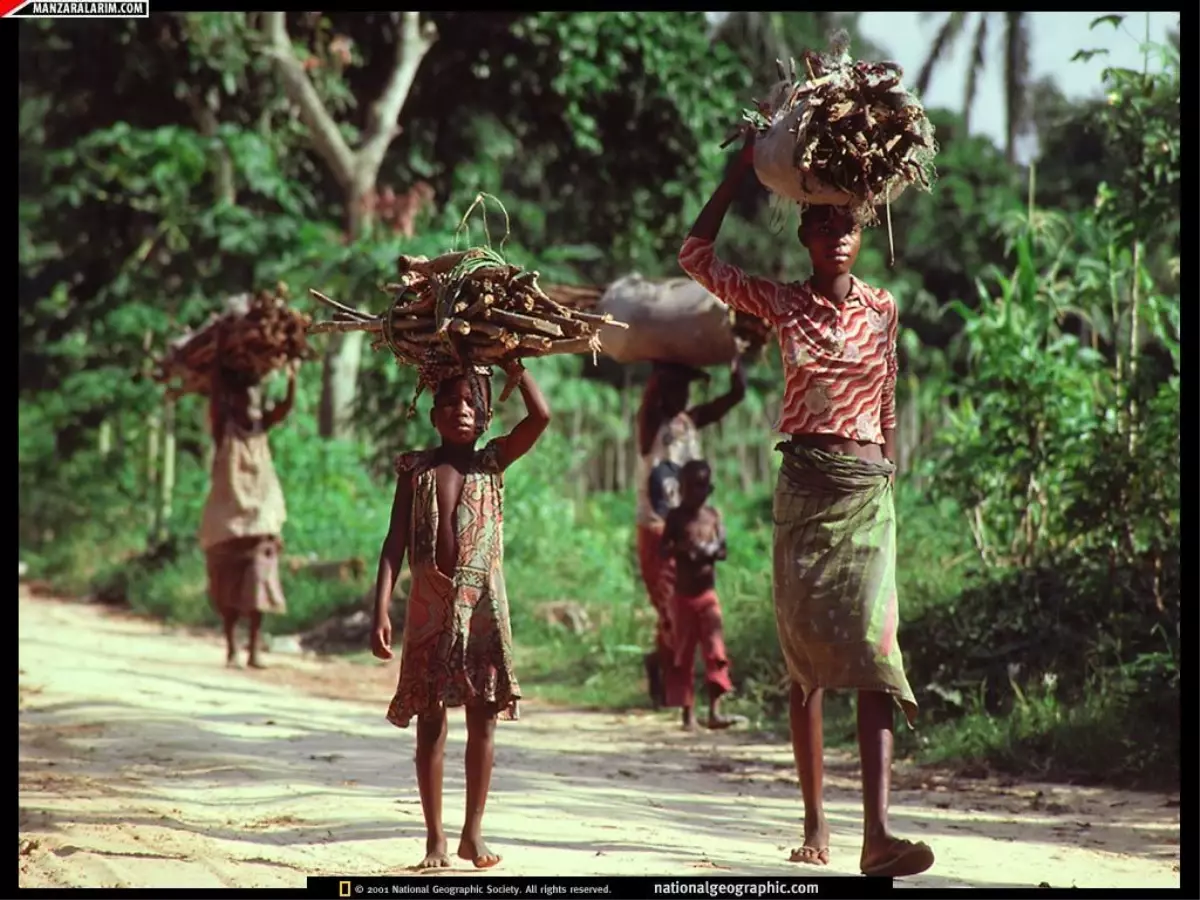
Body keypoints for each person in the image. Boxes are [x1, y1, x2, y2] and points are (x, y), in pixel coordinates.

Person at [675, 136, 935, 879]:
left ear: (863, 234)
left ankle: (878, 833)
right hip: (805, 492)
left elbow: (887, 399)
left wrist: (889, 472)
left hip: (867, 495)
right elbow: (697, 258)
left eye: (848, 226)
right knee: (806, 664)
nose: (836, 238)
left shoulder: (884, 309)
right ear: (804, 235)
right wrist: (734, 177)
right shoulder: (783, 302)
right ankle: (817, 817)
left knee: (876, 654)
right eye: (822, 226)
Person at [370, 359, 550, 872]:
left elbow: (540, 417)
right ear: (432, 414)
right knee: (430, 719)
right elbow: (394, 542)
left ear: (487, 416)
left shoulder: (492, 462)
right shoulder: (416, 470)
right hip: (429, 604)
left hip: (483, 607)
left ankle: (473, 832)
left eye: (472, 403)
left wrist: (516, 367)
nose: (461, 410)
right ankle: (435, 840)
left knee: (483, 717)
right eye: (449, 402)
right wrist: (380, 606)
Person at [636, 357, 745, 708]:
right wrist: (659, 371)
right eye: (674, 386)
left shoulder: (691, 421)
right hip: (657, 524)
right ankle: (675, 686)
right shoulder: (651, 424)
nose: (682, 394)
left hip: (690, 525)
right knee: (672, 606)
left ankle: (666, 672)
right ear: (660, 388)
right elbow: (651, 404)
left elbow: (731, 399)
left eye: (686, 387)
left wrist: (737, 369)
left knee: (685, 604)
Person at [199, 359, 296, 670]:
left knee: (258, 586)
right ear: (234, 402)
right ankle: (231, 647)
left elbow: (285, 407)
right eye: (245, 399)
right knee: (226, 588)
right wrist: (219, 361)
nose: (251, 407)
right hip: (227, 522)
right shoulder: (223, 429)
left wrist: (292, 378)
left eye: (255, 400)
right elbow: (216, 401)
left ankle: (254, 648)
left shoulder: (262, 428)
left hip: (261, 519)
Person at [660, 459, 739, 731]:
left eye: (702, 486)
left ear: (709, 488)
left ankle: (715, 712)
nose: (697, 492)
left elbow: (724, 550)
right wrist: (683, 549)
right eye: (691, 486)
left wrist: (709, 549)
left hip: (707, 595)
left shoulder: (713, 516)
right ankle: (688, 714)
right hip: (682, 597)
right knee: (683, 654)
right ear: (681, 488)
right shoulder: (675, 517)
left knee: (715, 651)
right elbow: (664, 549)